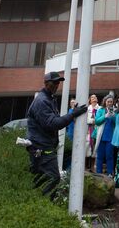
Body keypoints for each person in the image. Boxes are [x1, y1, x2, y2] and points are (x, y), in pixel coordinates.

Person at [25, 71, 87, 199]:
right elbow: (53, 123)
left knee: (43, 178)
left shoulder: (49, 99)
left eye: (58, 83)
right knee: (53, 178)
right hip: (42, 148)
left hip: (43, 147)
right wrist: (73, 114)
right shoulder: (42, 101)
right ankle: (42, 204)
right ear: (46, 83)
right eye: (54, 83)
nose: (57, 85)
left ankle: (37, 201)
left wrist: (72, 112)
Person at [94, 94, 116, 176]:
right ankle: (99, 174)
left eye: (111, 102)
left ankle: (110, 173)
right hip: (101, 136)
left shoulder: (114, 110)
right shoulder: (100, 110)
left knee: (109, 156)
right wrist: (105, 116)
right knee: (100, 156)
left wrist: (113, 116)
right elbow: (97, 121)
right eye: (108, 102)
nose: (110, 103)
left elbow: (116, 122)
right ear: (105, 102)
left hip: (110, 137)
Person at [86, 93, 100, 172]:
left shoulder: (100, 108)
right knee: (88, 146)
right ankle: (86, 167)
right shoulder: (88, 109)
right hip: (89, 129)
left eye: (95, 97)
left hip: (97, 129)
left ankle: (92, 167)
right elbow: (86, 120)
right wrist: (92, 121)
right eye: (92, 97)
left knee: (95, 147)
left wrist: (96, 121)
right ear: (90, 100)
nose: (94, 98)